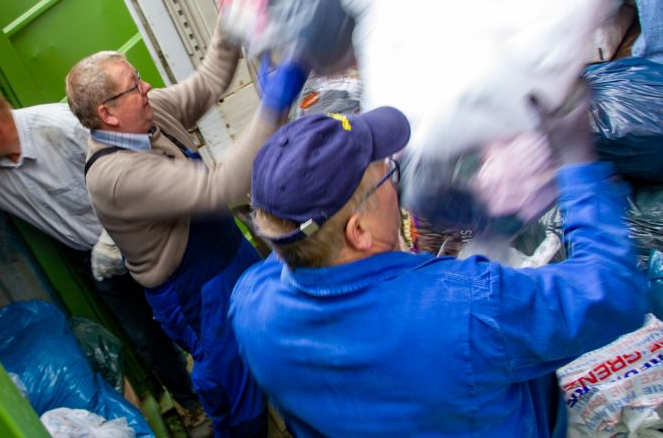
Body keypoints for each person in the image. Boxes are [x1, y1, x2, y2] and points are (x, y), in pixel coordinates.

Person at [228, 103, 648, 437]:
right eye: (387, 174)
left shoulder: (249, 305)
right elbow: (613, 291)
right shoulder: (466, 307)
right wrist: (577, 163)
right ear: (358, 232)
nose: (395, 182)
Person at [0, 82, 209, 433]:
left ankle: (236, 383)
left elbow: (138, 170)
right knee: (147, 337)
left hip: (149, 240)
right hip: (101, 266)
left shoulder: (61, 127)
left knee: (196, 315)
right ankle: (192, 404)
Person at [64, 28, 309, 437]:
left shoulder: (147, 112)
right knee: (236, 392)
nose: (146, 87)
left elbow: (208, 82)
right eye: (133, 86)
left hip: (229, 253)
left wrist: (230, 23)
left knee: (277, 340)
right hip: (194, 293)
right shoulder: (115, 176)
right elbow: (220, 187)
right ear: (108, 114)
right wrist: (273, 107)